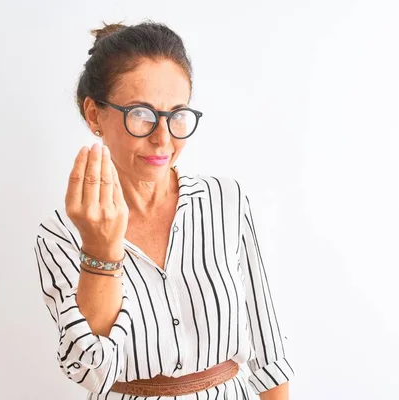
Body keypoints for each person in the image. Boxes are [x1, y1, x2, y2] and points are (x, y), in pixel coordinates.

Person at [33, 21, 293, 399]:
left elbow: (268, 346)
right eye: (141, 113)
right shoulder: (60, 236)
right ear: (94, 115)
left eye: (177, 115)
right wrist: (100, 250)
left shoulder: (226, 201)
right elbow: (90, 369)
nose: (163, 137)